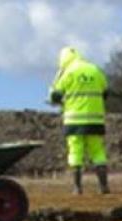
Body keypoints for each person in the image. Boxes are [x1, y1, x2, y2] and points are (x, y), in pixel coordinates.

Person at [50, 47, 109, 195]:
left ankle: (77, 187)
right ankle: (103, 186)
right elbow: (106, 92)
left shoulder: (67, 72)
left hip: (74, 120)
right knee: (97, 151)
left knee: (75, 152)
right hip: (95, 119)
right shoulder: (95, 70)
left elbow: (55, 96)